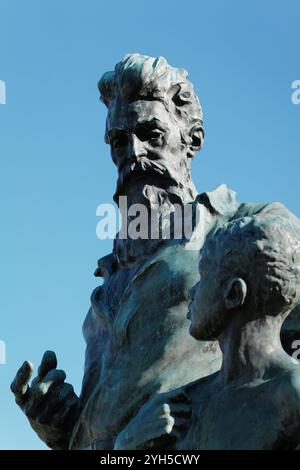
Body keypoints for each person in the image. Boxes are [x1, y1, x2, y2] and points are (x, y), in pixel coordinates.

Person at [11, 54, 300, 450]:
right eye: (118, 140)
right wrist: (61, 427)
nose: (133, 152)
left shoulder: (242, 229)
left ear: (191, 139)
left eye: (152, 135)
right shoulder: (106, 284)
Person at [115, 211, 300, 449]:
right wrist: (125, 442)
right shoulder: (180, 405)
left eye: (203, 278)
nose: (192, 292)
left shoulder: (291, 392)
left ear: (233, 294)